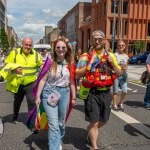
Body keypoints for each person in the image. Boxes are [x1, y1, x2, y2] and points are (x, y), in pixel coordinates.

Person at [76, 30, 121, 150]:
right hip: (92, 93)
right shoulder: (85, 56)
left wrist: (113, 65)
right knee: (94, 122)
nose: (97, 41)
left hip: (106, 92)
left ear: (104, 40)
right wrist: (88, 65)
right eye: (94, 39)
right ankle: (94, 146)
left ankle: (89, 129)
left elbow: (119, 73)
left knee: (104, 120)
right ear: (91, 40)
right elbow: (78, 75)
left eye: (99, 39)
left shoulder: (111, 56)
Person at [35, 36, 76, 150]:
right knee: (53, 124)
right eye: (58, 47)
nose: (61, 49)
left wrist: (74, 97)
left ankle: (58, 140)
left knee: (61, 122)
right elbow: (42, 80)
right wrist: (38, 96)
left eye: (63, 47)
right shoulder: (49, 62)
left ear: (67, 49)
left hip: (65, 93)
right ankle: (54, 147)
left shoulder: (70, 63)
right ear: (55, 49)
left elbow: (72, 81)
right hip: (49, 93)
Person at [5, 37, 43, 124]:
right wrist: (14, 70)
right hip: (18, 83)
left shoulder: (36, 54)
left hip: (31, 82)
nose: (28, 47)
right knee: (17, 101)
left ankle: (32, 123)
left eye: (30, 45)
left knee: (32, 101)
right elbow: (7, 64)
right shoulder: (15, 53)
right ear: (22, 44)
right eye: (26, 45)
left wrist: (44, 68)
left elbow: (40, 64)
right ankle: (15, 116)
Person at [112, 40, 129, 112]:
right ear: (117, 46)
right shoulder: (115, 55)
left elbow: (127, 64)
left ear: (124, 47)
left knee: (125, 91)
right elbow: (113, 65)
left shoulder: (126, 56)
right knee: (115, 91)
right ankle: (114, 104)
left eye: (122, 45)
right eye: (119, 45)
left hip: (124, 75)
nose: (121, 46)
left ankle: (120, 103)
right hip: (116, 75)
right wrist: (120, 67)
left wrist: (126, 67)